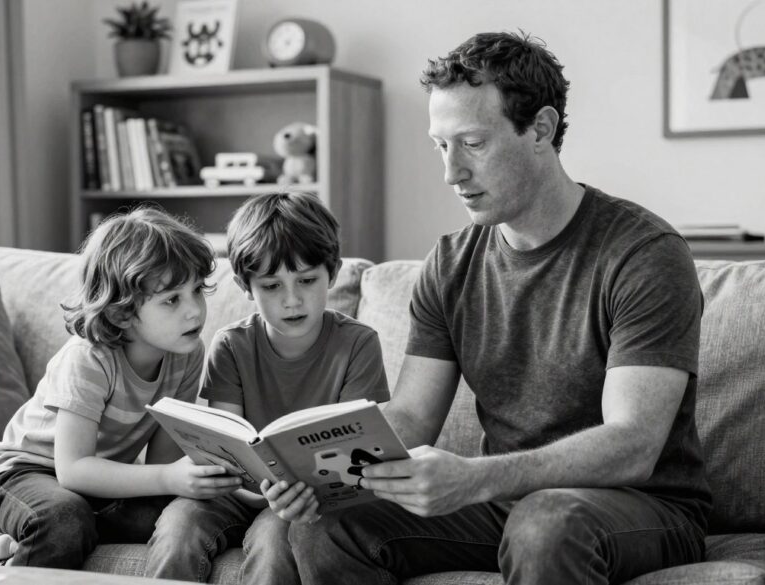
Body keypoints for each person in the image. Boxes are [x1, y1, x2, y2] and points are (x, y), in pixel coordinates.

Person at [275, 31, 712, 585]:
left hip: (640, 507)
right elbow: (411, 417)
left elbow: (634, 443)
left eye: (472, 143)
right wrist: (307, 466)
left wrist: (479, 478)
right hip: (508, 504)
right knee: (326, 525)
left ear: (541, 130)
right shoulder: (451, 263)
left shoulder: (644, 254)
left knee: (545, 522)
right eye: (441, 145)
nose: (450, 172)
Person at [145, 191, 391, 583]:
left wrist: (294, 499)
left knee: (276, 540)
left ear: (334, 271)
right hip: (235, 493)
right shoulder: (231, 346)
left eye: (307, 280)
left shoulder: (358, 344)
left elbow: (355, 459)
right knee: (179, 525)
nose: (292, 300)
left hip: (305, 503)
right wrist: (249, 489)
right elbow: (230, 447)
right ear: (245, 286)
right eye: (272, 286)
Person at [0, 206, 242, 568]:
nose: (195, 311)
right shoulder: (89, 359)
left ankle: (28, 543)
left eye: (197, 290)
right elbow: (73, 470)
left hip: (95, 483)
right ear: (122, 312)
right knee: (63, 517)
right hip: (27, 472)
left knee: (176, 513)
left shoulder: (186, 352)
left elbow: (162, 462)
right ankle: (35, 536)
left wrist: (185, 476)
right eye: (172, 300)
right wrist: (168, 477)